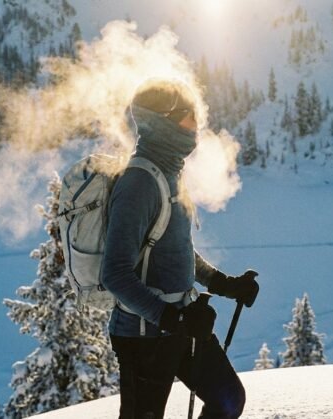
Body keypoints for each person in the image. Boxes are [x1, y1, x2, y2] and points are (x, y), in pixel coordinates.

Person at [101, 78, 260, 419]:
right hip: (144, 336)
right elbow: (114, 273)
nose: (197, 122)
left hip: (182, 325)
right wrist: (173, 317)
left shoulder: (170, 172)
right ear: (164, 120)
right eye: (189, 114)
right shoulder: (139, 183)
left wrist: (224, 284)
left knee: (228, 399)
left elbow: (176, 248)